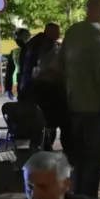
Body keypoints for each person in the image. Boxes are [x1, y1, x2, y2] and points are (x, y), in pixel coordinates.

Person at [62, 0, 100, 198]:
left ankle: (76, 198)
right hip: (97, 106)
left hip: (74, 103)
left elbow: (61, 65)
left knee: (80, 159)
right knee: (93, 159)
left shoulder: (72, 32)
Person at [23, 23, 67, 151]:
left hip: (30, 87)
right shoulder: (47, 45)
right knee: (51, 123)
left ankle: (39, 150)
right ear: (50, 31)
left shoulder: (33, 42)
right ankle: (46, 152)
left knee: (39, 123)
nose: (59, 35)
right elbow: (47, 67)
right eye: (57, 32)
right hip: (42, 89)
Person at [3, 28, 30, 99]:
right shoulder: (34, 50)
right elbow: (9, 72)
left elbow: (9, 72)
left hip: (23, 83)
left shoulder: (15, 52)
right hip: (27, 84)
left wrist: (8, 88)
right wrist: (8, 88)